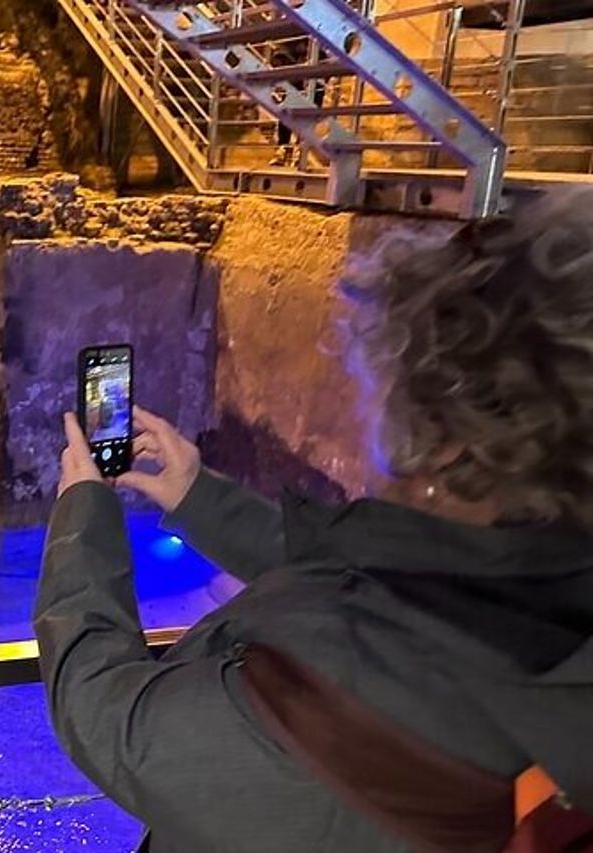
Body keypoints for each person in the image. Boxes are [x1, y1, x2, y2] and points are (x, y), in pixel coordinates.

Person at [34, 189, 593, 852]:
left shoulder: (342, 712)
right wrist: (197, 494)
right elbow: (363, 565)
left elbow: (114, 719)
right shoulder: (525, 582)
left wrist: (82, 513)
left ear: (451, 446)